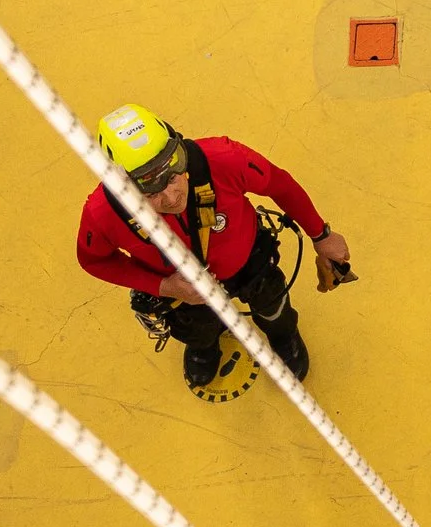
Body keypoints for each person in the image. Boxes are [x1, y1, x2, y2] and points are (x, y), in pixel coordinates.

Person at [75, 102, 353, 392]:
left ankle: (283, 336)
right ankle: (204, 346)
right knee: (196, 328)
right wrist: (165, 287)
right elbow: (93, 260)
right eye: (149, 189)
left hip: (250, 262)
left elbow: (278, 184)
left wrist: (321, 235)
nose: (171, 196)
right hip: (184, 291)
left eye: (173, 173)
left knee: (273, 304)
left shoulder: (223, 159)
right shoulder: (103, 214)